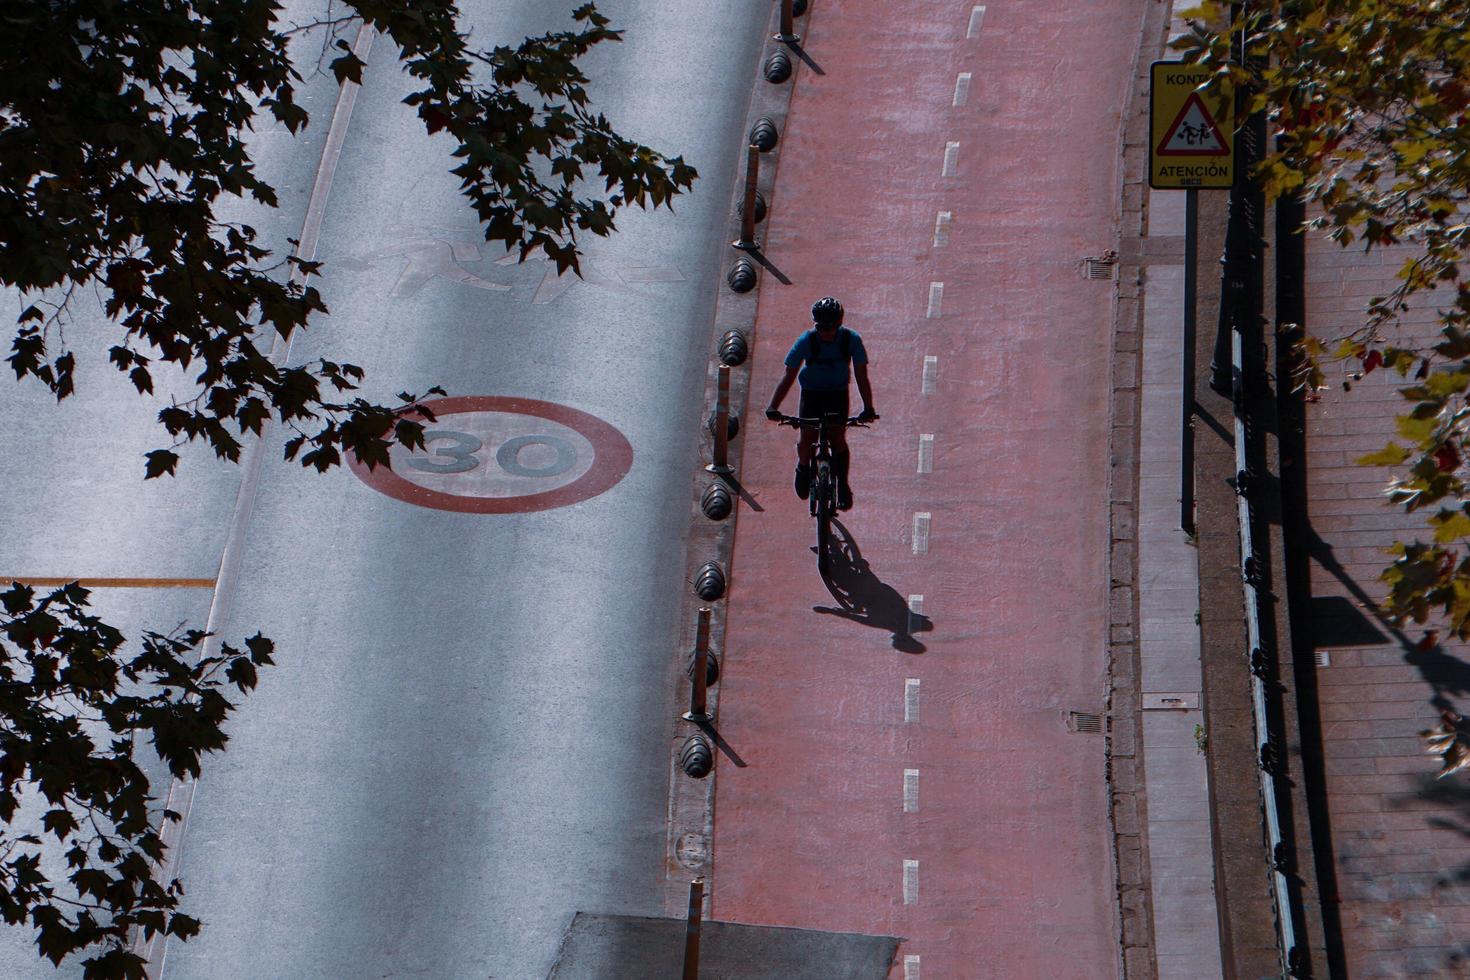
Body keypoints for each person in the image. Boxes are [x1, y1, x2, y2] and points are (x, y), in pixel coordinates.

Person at [764, 296, 877, 510]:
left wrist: (868, 408)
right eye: (821, 327)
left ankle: (843, 485)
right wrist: (773, 406)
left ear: (839, 324)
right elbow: (789, 375)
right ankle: (803, 467)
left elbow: (862, 377)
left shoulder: (851, 340)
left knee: (838, 439)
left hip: (837, 394)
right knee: (806, 439)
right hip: (812, 393)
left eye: (830, 327)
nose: (825, 332)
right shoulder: (807, 340)